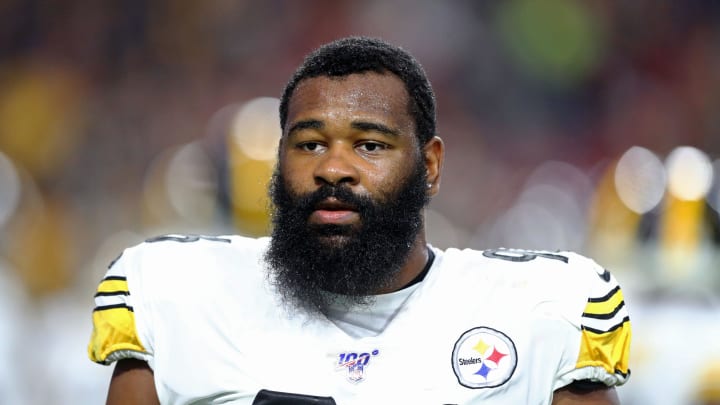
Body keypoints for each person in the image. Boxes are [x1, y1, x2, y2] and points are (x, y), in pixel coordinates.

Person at [88, 36, 631, 404]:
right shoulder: (178, 299)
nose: (333, 168)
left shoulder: (540, 312)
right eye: (309, 144)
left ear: (431, 164)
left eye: (370, 144)